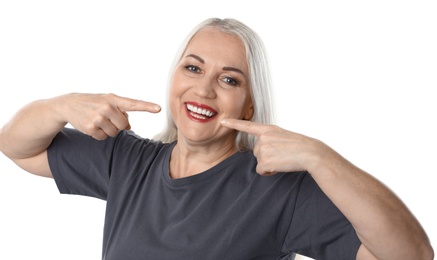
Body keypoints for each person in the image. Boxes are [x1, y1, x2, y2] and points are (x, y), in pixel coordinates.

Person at [0, 17, 433, 260]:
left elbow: (411, 256)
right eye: (192, 68)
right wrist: (62, 105)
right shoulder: (126, 159)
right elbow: (16, 145)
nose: (203, 90)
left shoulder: (276, 188)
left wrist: (323, 159)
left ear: (249, 105)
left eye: (228, 79)